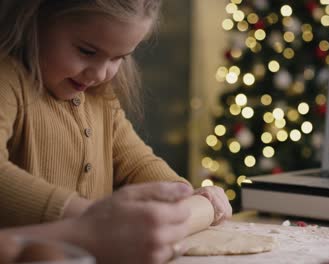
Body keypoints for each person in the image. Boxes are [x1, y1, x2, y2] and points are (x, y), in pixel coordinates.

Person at [0, 0, 231, 227]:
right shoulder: (8, 79)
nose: (100, 74)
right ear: (36, 20)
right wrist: (92, 216)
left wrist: (183, 194)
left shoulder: (100, 97)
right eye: (87, 51)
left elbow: (136, 162)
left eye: (118, 58)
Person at [0, 182, 195, 264]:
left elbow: (140, 162)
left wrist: (183, 191)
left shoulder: (105, 103)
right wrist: (92, 224)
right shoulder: (11, 96)